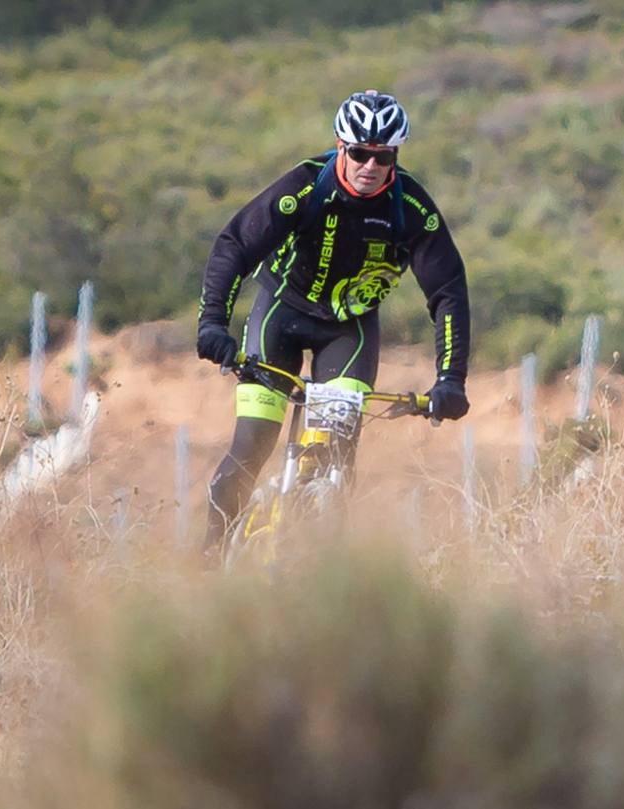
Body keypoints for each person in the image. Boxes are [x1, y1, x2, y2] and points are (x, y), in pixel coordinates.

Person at [192, 89, 470, 551]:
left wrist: (451, 378)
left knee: (336, 468)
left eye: (382, 157)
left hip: (349, 332)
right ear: (342, 147)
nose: (370, 166)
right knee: (250, 451)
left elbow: (448, 292)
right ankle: (207, 566)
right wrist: (212, 323)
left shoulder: (412, 209)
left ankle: (319, 579)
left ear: (394, 156)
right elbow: (235, 244)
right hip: (280, 314)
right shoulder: (306, 184)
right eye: (359, 153)